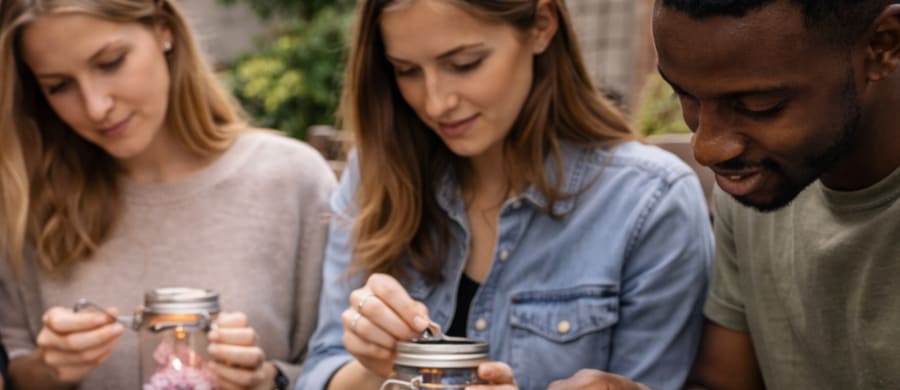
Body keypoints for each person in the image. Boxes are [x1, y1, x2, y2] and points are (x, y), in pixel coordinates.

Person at [297, 0, 713, 389]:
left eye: (464, 64)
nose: (437, 102)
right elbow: (319, 371)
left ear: (542, 25)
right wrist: (377, 365)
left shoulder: (649, 204)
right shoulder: (376, 175)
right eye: (406, 71)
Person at [0, 0, 336, 388]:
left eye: (110, 63)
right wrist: (50, 368)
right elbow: (17, 365)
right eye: (59, 86)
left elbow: (343, 367)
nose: (96, 107)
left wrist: (267, 379)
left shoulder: (292, 181)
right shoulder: (29, 202)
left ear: (164, 27)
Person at [649, 0, 900, 389]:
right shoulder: (759, 182)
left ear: (882, 45)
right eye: (684, 96)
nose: (707, 148)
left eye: (759, 105)